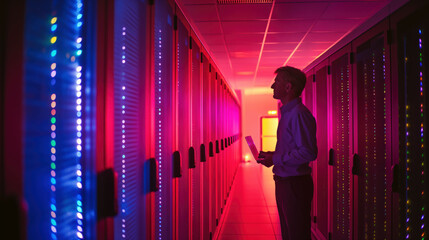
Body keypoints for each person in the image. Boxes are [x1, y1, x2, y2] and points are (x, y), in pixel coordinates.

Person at [258, 66, 317, 240]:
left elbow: (308, 152)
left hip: (295, 185)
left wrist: (276, 158)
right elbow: (292, 148)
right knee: (289, 233)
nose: (272, 86)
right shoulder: (288, 113)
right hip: (285, 183)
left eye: (277, 82)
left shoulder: (298, 114)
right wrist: (272, 155)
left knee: (296, 234)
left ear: (288, 87)